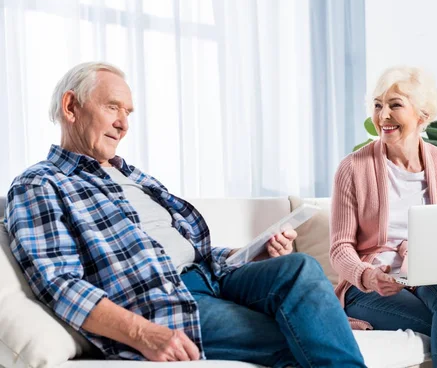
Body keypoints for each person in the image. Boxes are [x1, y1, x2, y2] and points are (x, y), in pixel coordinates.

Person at [4, 62, 366, 368]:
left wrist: (256, 251)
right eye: (113, 107)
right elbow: (60, 283)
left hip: (215, 278)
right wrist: (143, 334)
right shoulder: (40, 184)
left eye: (127, 113)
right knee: (305, 336)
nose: (123, 124)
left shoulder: (134, 176)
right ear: (71, 107)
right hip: (166, 302)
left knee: (298, 266)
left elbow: (195, 249)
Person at [329, 66, 437, 368]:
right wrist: (369, 276)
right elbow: (340, 249)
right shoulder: (353, 168)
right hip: (370, 287)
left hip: (431, 279)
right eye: (377, 105)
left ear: (422, 116)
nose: (382, 115)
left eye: (395, 105)